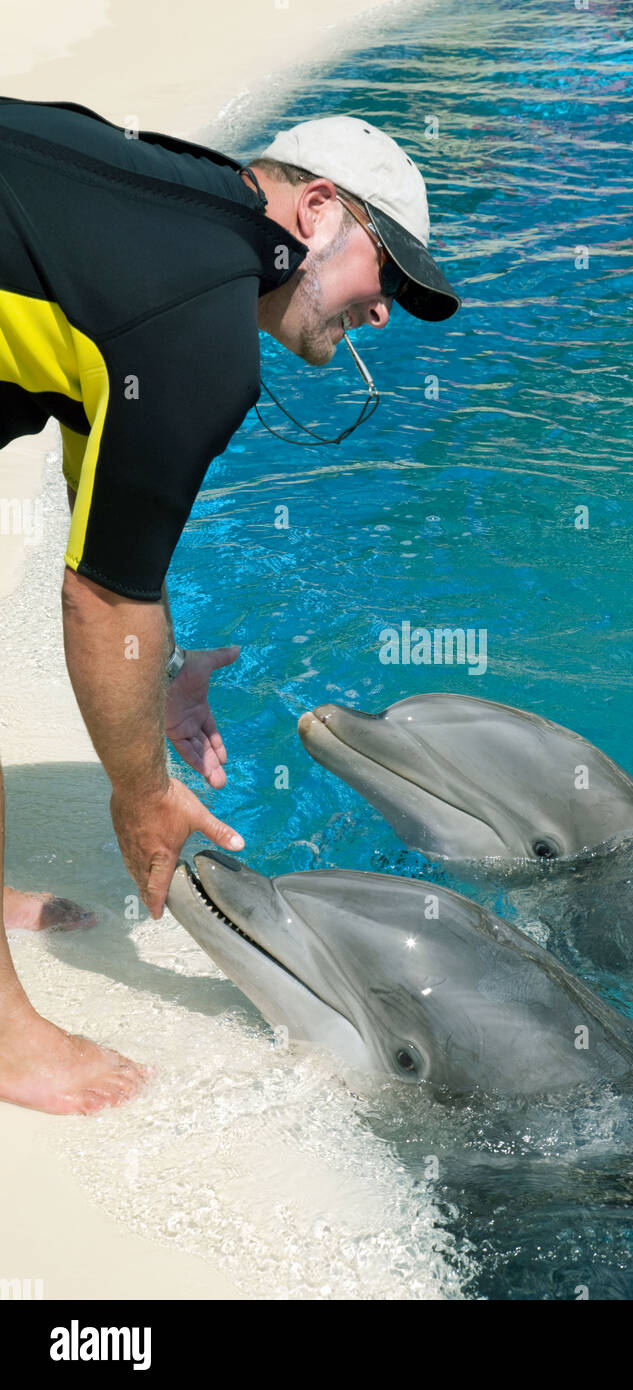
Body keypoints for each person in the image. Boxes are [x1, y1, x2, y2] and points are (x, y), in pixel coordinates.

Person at [0, 101, 460, 1115]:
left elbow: (107, 532)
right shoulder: (198, 329)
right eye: (386, 271)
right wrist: (142, 791)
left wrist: (153, 676)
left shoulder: (172, 202)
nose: (383, 313)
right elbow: (99, 595)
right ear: (316, 209)